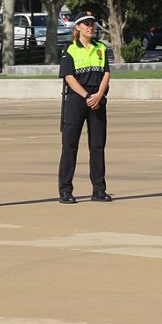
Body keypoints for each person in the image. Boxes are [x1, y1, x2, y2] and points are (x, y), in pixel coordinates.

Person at [57, 11, 112, 204]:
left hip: (97, 99)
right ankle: (65, 190)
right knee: (70, 146)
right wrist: (87, 95)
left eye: (92, 23)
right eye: (86, 24)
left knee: (97, 146)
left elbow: (106, 73)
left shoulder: (101, 48)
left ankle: (99, 189)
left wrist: (98, 95)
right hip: (77, 100)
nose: (90, 27)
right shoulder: (69, 49)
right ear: (77, 27)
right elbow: (69, 77)